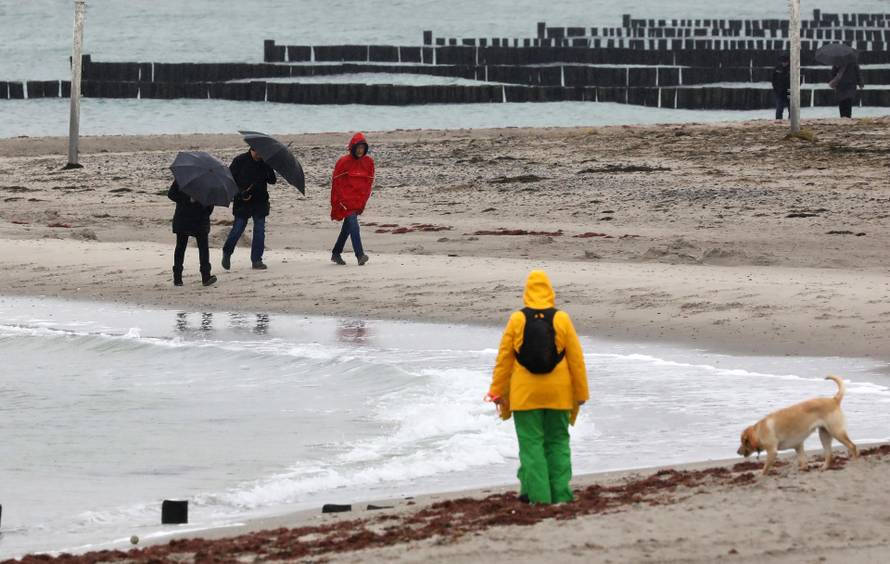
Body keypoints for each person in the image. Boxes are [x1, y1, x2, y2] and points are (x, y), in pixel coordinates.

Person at [487, 270, 589, 504]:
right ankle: (560, 494)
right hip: (559, 393)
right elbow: (576, 360)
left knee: (531, 446)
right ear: (550, 291)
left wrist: (496, 391)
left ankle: (539, 498)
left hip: (525, 394)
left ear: (527, 293)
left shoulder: (517, 319)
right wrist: (581, 393)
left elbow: (504, 359)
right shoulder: (562, 318)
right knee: (558, 442)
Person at [222, 147, 277, 270]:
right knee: (238, 228)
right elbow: (229, 180)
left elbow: (273, 181)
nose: (260, 155)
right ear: (253, 150)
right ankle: (227, 251)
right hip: (242, 202)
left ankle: (256, 260)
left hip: (260, 201)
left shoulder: (265, 162)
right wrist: (240, 193)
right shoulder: (239, 160)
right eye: (259, 152)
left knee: (259, 230)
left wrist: (269, 166)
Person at [330, 132, 374, 266]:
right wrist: (338, 201)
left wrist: (363, 202)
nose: (360, 150)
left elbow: (368, 184)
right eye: (358, 148)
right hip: (344, 201)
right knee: (354, 227)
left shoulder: (368, 162)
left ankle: (336, 253)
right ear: (353, 148)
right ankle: (360, 255)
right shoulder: (343, 162)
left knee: (347, 228)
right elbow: (336, 184)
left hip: (357, 201)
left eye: (362, 148)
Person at [167, 181, 216, 287]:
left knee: (195, 247)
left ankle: (204, 276)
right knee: (185, 247)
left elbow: (210, 203)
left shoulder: (185, 177)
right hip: (189, 217)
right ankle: (179, 277)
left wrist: (204, 209)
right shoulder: (207, 181)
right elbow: (171, 194)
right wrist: (188, 200)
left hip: (194, 217)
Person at [771, 55, 791, 120]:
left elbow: (799, 79)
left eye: (786, 62)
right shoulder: (777, 69)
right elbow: (773, 80)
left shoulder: (793, 68)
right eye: (783, 62)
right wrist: (776, 89)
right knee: (779, 108)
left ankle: (792, 121)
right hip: (780, 91)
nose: (784, 63)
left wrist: (794, 89)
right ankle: (778, 122)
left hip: (790, 91)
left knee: (792, 108)